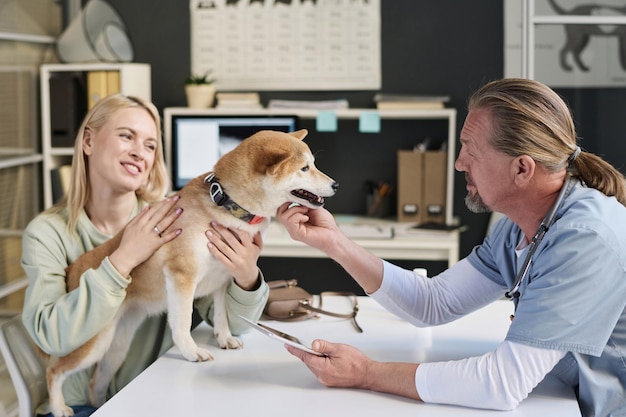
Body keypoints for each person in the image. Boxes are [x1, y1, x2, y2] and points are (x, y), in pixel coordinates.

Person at [276, 78, 626, 416]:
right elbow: (433, 302)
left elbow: (502, 384)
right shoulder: (518, 229)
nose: (459, 163)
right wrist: (335, 243)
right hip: (565, 397)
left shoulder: (585, 240)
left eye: (470, 151)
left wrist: (366, 373)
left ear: (521, 169)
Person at [21, 94, 269, 417]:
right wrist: (121, 260)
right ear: (88, 141)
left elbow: (230, 327)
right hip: (80, 406)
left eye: (151, 145)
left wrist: (246, 276)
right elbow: (50, 337)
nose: (140, 152)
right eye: (127, 136)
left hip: (158, 398)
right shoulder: (47, 234)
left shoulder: (173, 217)